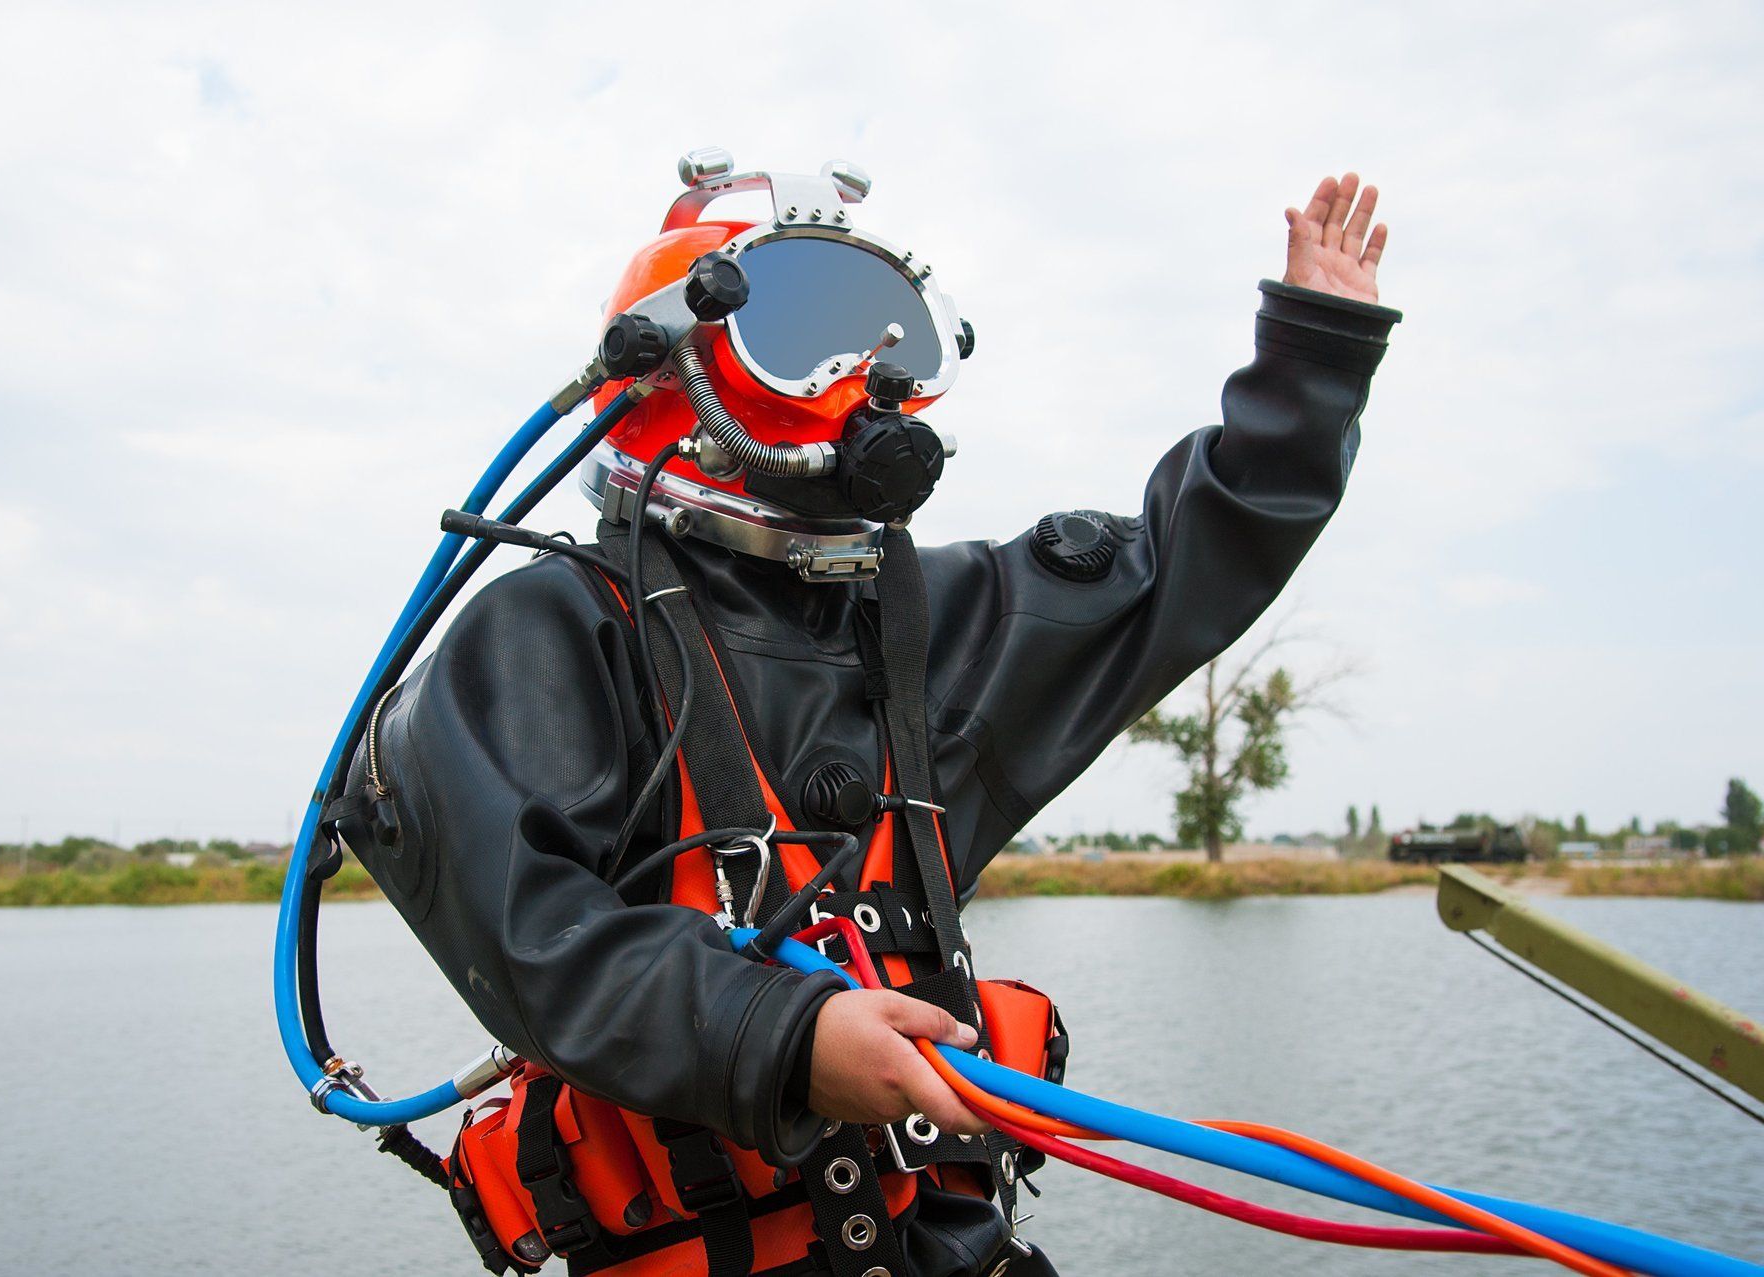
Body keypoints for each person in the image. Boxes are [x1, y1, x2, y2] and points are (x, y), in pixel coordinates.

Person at [336, 154, 1398, 1276]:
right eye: (809, 333)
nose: (870, 375)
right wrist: (792, 1037)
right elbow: (537, 943)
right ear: (671, 364)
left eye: (899, 332)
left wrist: (1313, 361)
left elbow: (1181, 569)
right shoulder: (550, 629)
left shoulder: (927, 620)